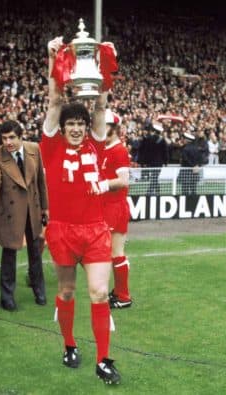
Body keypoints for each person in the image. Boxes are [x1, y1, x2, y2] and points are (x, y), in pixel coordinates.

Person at [39, 36, 120, 385]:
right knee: (67, 291)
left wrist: (102, 61)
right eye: (70, 124)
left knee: (100, 293)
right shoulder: (51, 146)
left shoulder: (96, 143)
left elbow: (100, 107)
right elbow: (55, 100)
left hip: (95, 229)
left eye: (79, 125)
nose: (75, 129)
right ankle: (69, 343)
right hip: (62, 229)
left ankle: (103, 359)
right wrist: (52, 59)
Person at [0, 120, 48, 311]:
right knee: (9, 254)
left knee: (35, 252)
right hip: (10, 212)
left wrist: (45, 208)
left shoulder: (34, 149)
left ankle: (39, 290)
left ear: (21, 136)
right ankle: (7, 296)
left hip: (32, 208)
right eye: (4, 138)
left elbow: (40, 181)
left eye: (12, 137)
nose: (8, 142)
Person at [99, 110, 132, 309]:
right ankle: (120, 293)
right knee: (112, 252)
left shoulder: (118, 150)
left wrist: (102, 184)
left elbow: (124, 181)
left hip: (114, 206)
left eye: (106, 125)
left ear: (114, 128)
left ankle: (123, 296)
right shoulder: (105, 147)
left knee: (115, 252)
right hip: (106, 205)